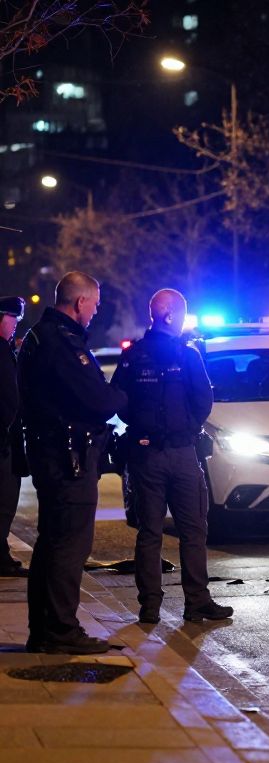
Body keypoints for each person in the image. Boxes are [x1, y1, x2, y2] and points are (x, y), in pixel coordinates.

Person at [19, 272, 127, 654]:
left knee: (50, 544)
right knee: (69, 546)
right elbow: (99, 400)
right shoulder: (62, 343)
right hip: (69, 460)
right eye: (94, 305)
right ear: (80, 302)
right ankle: (61, 630)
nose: (95, 312)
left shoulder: (38, 336)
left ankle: (43, 630)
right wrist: (121, 393)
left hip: (53, 455)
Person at [112, 288, 233, 625]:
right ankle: (196, 602)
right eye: (180, 315)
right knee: (193, 529)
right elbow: (203, 402)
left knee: (150, 532)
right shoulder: (188, 355)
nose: (182, 322)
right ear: (169, 316)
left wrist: (145, 427)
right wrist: (183, 429)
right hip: (181, 454)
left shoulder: (132, 356)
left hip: (145, 455)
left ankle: (150, 606)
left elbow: (120, 404)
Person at [0, 296, 29, 577]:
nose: (15, 327)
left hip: (7, 439)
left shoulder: (6, 349)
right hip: (3, 442)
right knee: (5, 500)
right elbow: (10, 399)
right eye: (13, 320)